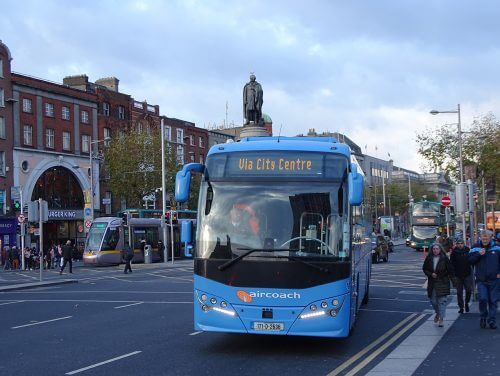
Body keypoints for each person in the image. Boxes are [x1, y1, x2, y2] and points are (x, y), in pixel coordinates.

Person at [468, 230, 500, 329]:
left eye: (487, 238)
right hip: (481, 279)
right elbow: (469, 261)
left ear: (490, 238)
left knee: (493, 301)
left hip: (494, 279)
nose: (485, 240)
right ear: (480, 238)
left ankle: (492, 321)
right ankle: (483, 316)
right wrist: (478, 254)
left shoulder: (497, 248)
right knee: (483, 299)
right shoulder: (475, 248)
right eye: (483, 238)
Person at [423, 243, 455, 327]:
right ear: (432, 250)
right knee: (433, 301)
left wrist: (454, 282)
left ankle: (441, 319)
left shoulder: (445, 259)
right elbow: (425, 268)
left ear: (440, 249)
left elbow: (451, 271)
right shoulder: (429, 258)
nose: (435, 250)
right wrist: (430, 274)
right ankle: (437, 313)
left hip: (443, 282)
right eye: (434, 249)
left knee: (442, 301)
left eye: (437, 249)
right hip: (432, 283)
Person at [450, 239, 472, 313]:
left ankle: (466, 303)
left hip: (467, 274)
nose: (460, 245)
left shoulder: (468, 251)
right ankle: (461, 307)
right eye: (458, 243)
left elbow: (472, 260)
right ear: (456, 244)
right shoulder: (454, 252)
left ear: (464, 244)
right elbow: (451, 264)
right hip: (457, 275)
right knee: (459, 292)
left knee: (469, 290)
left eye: (461, 243)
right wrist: (453, 274)